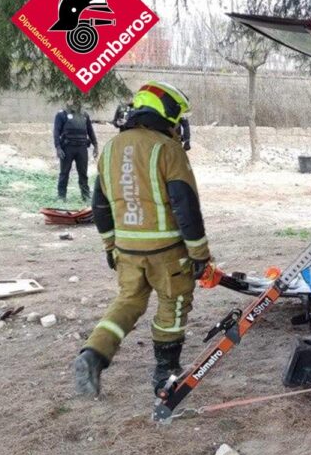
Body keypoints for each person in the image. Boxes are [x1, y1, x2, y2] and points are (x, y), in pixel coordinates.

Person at [73, 81, 212, 397]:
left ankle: (93, 354)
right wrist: (200, 254)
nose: (179, 125)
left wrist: (110, 246)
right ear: (167, 111)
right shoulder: (168, 149)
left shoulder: (111, 149)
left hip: (127, 250)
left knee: (128, 301)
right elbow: (185, 205)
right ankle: (166, 371)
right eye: (178, 117)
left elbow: (99, 206)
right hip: (167, 252)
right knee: (173, 304)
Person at [54, 103, 98, 202]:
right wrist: (58, 147)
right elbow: (56, 132)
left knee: (83, 173)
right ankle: (61, 196)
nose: (73, 102)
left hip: (82, 148)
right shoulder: (61, 114)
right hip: (67, 148)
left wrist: (96, 146)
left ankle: (85, 196)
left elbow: (90, 131)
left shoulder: (84, 115)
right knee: (64, 173)